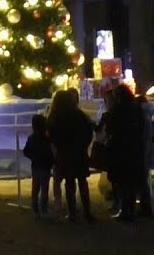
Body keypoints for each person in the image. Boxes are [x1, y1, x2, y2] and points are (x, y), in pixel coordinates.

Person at [49, 88, 95, 223]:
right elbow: (88, 131)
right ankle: (86, 211)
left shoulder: (57, 117)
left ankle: (72, 212)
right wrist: (83, 146)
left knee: (69, 183)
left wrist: (60, 148)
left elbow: (53, 136)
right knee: (82, 181)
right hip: (79, 152)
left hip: (65, 153)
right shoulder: (78, 114)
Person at [108, 85, 147, 221]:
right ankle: (131, 208)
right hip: (135, 147)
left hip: (122, 148)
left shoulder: (117, 110)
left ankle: (125, 210)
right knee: (132, 180)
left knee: (123, 181)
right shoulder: (136, 108)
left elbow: (111, 128)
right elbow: (142, 126)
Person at [22, 113, 55, 219]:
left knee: (35, 189)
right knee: (44, 189)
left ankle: (35, 209)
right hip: (45, 167)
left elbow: (26, 151)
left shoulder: (31, 138)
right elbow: (51, 152)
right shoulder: (47, 139)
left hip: (35, 166)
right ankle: (43, 209)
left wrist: (33, 157)